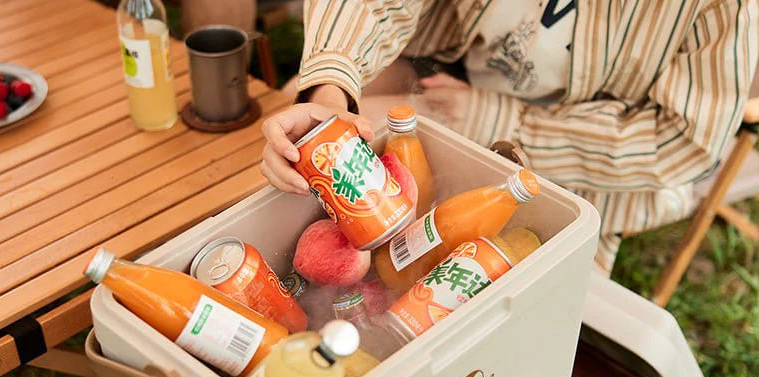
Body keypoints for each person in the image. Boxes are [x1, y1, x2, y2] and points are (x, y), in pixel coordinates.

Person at [260, 0, 758, 273]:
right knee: (298, 124)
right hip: (446, 64)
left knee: (499, 304)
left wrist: (498, 121)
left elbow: (681, 141)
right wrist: (330, 90)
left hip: (569, 154)